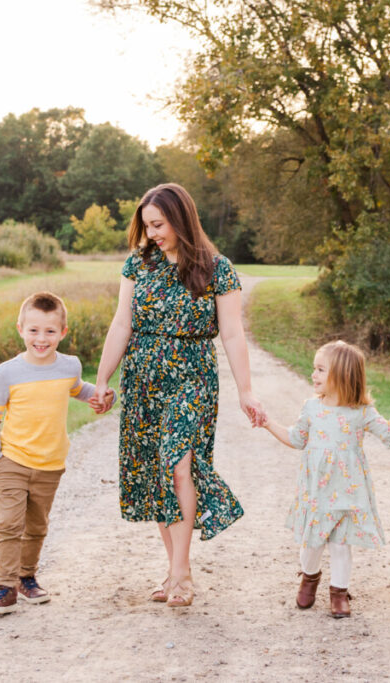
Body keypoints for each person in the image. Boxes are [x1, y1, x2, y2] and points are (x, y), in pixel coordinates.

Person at [90, 182, 265, 609]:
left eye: (159, 224)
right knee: (157, 474)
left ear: (181, 219)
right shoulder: (138, 264)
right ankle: (174, 570)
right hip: (143, 379)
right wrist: (102, 380)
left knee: (179, 466)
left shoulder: (217, 268)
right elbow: (121, 325)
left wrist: (246, 391)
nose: (152, 234)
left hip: (192, 377)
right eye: (147, 226)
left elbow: (232, 332)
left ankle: (181, 573)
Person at [261, 340, 390, 618]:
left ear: (341, 376)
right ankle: (309, 577)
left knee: (341, 544)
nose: (313, 375)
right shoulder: (312, 408)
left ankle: (339, 592)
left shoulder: (361, 412)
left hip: (347, 493)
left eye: (320, 369)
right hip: (316, 493)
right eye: (314, 369)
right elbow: (296, 438)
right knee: (312, 544)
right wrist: (268, 422)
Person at [0, 291, 99, 615]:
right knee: (9, 523)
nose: (41, 339)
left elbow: (77, 389)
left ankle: (26, 578)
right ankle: (4, 588)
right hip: (11, 461)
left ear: (63, 332)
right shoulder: (7, 372)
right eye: (33, 330)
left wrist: (100, 395)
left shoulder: (69, 365)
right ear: (20, 329)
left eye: (49, 331)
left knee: (36, 526)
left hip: (50, 464)